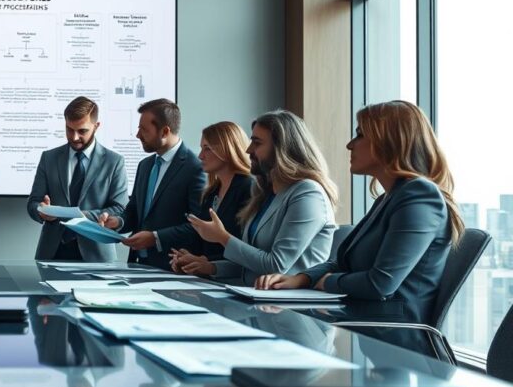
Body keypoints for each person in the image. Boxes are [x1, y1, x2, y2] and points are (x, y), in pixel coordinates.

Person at [255, 101, 464, 322]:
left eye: (359, 135)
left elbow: (380, 284)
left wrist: (327, 282)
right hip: (363, 324)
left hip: (393, 337)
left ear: (389, 141)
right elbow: (343, 263)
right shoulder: (388, 198)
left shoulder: (419, 197)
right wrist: (301, 279)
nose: (349, 145)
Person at [188, 109, 337, 285]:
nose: (248, 149)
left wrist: (223, 237)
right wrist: (211, 267)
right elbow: (251, 263)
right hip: (257, 297)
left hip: (293, 304)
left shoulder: (308, 194)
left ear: (282, 148)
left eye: (257, 143)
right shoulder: (265, 193)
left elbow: (276, 265)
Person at [97, 98, 205, 270]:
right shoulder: (145, 165)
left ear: (164, 131)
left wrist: (156, 237)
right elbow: (134, 211)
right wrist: (117, 222)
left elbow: (198, 225)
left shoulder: (195, 169)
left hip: (173, 270)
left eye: (143, 130)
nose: (138, 134)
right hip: (138, 265)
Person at [27, 96, 128, 262]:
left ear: (96, 126)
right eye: (69, 129)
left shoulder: (114, 162)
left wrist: (81, 215)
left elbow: (120, 208)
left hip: (97, 254)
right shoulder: (49, 158)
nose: (74, 137)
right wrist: (41, 210)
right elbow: (32, 203)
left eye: (82, 131)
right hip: (53, 252)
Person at [169, 121, 253, 276]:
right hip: (211, 281)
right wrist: (188, 257)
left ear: (227, 149)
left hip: (237, 280)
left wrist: (206, 262)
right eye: (201, 148)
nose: (200, 156)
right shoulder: (211, 192)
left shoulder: (249, 188)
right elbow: (203, 241)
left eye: (207, 149)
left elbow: (246, 247)